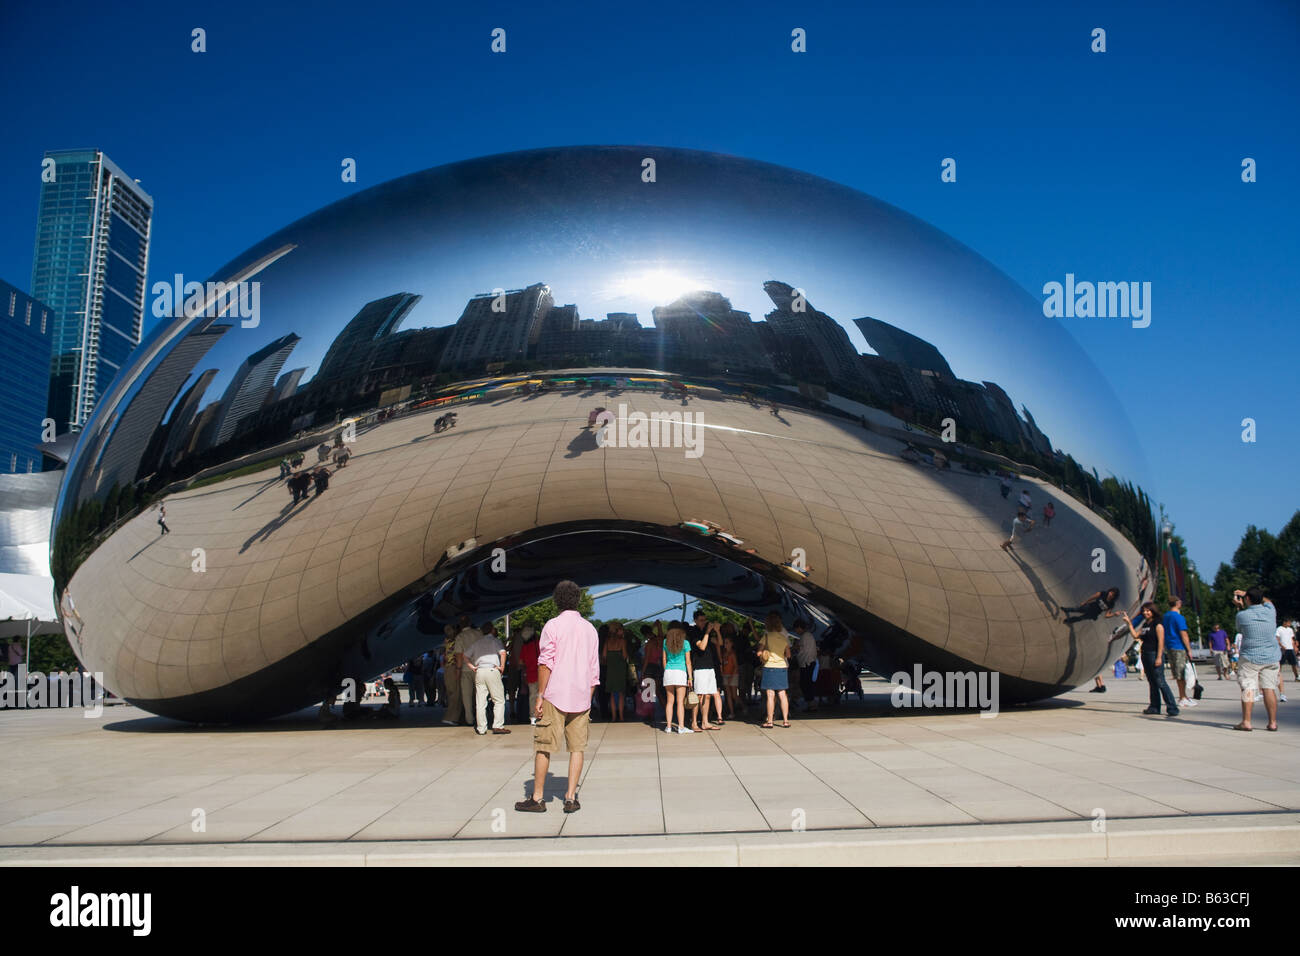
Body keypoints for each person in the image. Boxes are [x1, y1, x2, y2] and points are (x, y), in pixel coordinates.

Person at [515, 581, 600, 814]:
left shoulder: (552, 626)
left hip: (555, 694)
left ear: (557, 601)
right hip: (581, 697)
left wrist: (541, 695)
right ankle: (571, 798)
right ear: (578, 601)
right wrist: (588, 696)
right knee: (577, 747)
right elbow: (594, 670)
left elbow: (545, 664)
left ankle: (538, 798)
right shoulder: (590, 629)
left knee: (543, 746)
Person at [1232, 587, 1279, 731]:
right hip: (1271, 656)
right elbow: (1268, 601)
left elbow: (1240, 630)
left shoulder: (1242, 615)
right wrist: (1249, 594)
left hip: (1250, 657)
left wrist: (1240, 607)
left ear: (1247, 599)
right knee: (1269, 689)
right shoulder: (1271, 611)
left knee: (1248, 687)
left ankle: (1246, 721)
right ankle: (1272, 722)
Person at [1122, 602, 1179, 717]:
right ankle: (1154, 707)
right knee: (1152, 682)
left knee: (1160, 681)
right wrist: (1129, 623)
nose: (1145, 612)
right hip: (1145, 654)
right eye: (1144, 611)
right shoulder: (1145, 624)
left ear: (1153, 611)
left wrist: (1159, 657)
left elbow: (1161, 642)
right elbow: (1135, 636)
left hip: (1154, 654)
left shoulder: (1158, 624)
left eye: (1148, 610)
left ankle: (1172, 707)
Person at [467, 625, 511, 735]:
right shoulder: (495, 641)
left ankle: (481, 728)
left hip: (480, 671)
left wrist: (472, 666)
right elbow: (503, 652)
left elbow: (465, 655)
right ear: (492, 630)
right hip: (492, 670)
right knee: (499, 700)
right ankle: (497, 726)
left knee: (480, 701)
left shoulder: (477, 643)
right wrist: (502, 667)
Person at [758, 611, 792, 728]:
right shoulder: (783, 638)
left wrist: (763, 653)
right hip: (782, 667)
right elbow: (788, 654)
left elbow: (759, 653)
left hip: (770, 667)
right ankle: (786, 721)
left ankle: (770, 721)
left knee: (770, 695)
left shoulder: (766, 637)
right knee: (782, 694)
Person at [689, 612, 723, 731]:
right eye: (701, 620)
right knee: (698, 696)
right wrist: (707, 632)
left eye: (705, 619)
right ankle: (694, 722)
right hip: (699, 667)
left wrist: (717, 631)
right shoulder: (694, 632)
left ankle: (705, 721)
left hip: (710, 666)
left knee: (708, 695)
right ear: (696, 620)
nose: (704, 622)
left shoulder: (708, 632)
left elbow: (720, 643)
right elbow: (702, 646)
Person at [1162, 598, 1196, 708]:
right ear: (1177, 603)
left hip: (1169, 646)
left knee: (1177, 673)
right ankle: (1182, 697)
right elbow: (1183, 633)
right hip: (1179, 646)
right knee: (1181, 673)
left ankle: (1183, 696)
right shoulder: (1178, 617)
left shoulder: (1165, 616)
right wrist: (1189, 649)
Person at [661, 622, 694, 734]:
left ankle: (669, 727)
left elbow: (664, 659)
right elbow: (688, 662)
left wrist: (667, 670)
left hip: (669, 671)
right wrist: (690, 678)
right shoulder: (685, 643)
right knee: (680, 702)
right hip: (681, 672)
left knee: (670, 701)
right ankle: (681, 727)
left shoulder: (665, 642)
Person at [453, 617, 482, 727]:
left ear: (460, 625)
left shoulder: (460, 637)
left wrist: (458, 670)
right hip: (479, 667)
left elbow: (459, 655)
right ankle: (481, 717)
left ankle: (469, 719)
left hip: (465, 669)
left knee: (467, 696)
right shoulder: (479, 634)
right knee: (480, 694)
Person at [601, 621, 629, 722]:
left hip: (610, 670)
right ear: (618, 630)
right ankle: (621, 716)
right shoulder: (622, 641)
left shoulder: (607, 642)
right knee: (621, 694)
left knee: (612, 694)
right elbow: (625, 656)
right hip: (620, 669)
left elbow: (603, 656)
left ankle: (613, 717)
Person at [793, 619, 818, 711]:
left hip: (807, 663)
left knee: (806, 684)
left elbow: (803, 651)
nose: (796, 631)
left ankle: (811, 704)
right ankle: (810, 703)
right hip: (808, 662)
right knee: (806, 684)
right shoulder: (807, 636)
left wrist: (794, 649)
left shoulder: (805, 636)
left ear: (799, 627)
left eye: (796, 629)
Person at [440, 623, 462, 726]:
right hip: (454, 668)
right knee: (455, 694)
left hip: (447, 669)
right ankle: (451, 717)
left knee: (450, 693)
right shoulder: (455, 642)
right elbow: (457, 656)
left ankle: (452, 716)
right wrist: (458, 669)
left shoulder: (446, 642)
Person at [519, 625, 540, 724]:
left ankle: (532, 717)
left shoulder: (524, 647)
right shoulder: (539, 644)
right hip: (541, 673)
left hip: (530, 674)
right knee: (543, 695)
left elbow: (521, 662)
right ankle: (542, 714)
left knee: (532, 696)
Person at [720, 630, 740, 720]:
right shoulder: (724, 654)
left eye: (727, 643)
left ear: (731, 644)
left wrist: (731, 677)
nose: (725, 645)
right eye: (725, 643)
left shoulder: (732, 654)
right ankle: (732, 712)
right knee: (728, 695)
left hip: (733, 675)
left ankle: (743, 706)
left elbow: (736, 666)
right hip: (726, 675)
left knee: (734, 695)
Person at [1276, 618, 1297, 699]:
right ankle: (1277, 676)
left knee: (1294, 663)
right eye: (1289, 622)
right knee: (1280, 663)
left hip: (1290, 648)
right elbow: (1277, 638)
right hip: (1283, 649)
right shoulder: (1279, 629)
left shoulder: (1290, 629)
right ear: (1285, 622)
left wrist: (1294, 646)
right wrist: (1281, 646)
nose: (1289, 623)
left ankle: (1297, 676)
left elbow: (1292, 639)